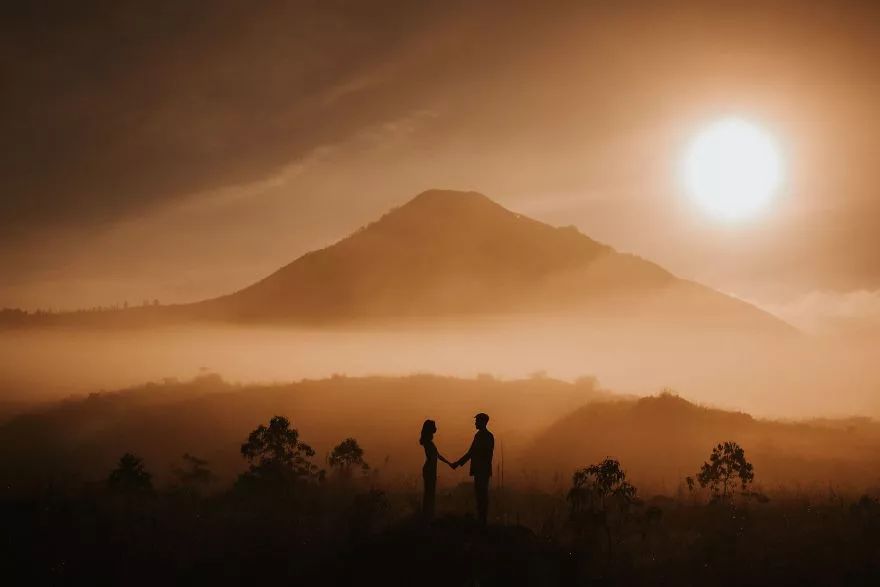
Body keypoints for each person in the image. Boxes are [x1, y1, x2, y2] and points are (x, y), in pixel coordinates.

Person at [453, 412, 495, 526]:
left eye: (477, 421)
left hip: (482, 471)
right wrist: (458, 463)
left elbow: (474, 453)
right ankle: (481, 520)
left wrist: (458, 463)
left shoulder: (485, 436)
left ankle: (482, 520)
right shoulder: (481, 436)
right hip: (480, 470)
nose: (475, 423)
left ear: (483, 422)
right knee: (480, 495)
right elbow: (471, 453)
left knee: (482, 495)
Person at [419, 419, 453, 519]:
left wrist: (449, 463)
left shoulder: (429, 442)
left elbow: (438, 456)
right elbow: (435, 456)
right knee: (429, 492)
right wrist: (450, 464)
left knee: (430, 492)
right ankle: (427, 514)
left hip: (430, 469)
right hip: (430, 469)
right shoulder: (428, 443)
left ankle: (428, 514)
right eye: (434, 427)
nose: (436, 428)